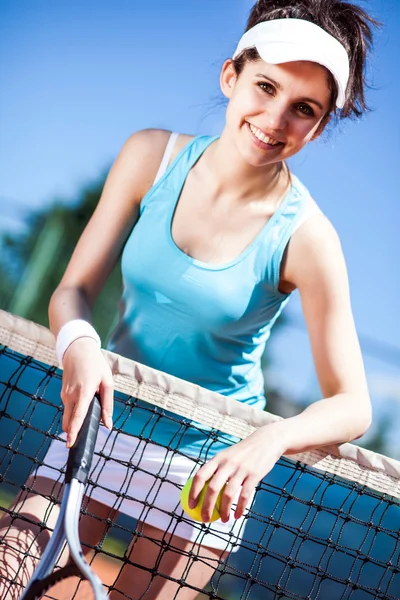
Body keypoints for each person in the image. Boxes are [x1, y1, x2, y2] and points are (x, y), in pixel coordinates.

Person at [0, 0, 379, 598]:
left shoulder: (310, 237)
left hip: (211, 468)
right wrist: (79, 346)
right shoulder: (150, 156)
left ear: (320, 125)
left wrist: (267, 439)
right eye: (265, 86)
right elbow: (72, 290)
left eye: (303, 109)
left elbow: (354, 405)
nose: (275, 119)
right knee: (6, 575)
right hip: (104, 421)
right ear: (231, 75)